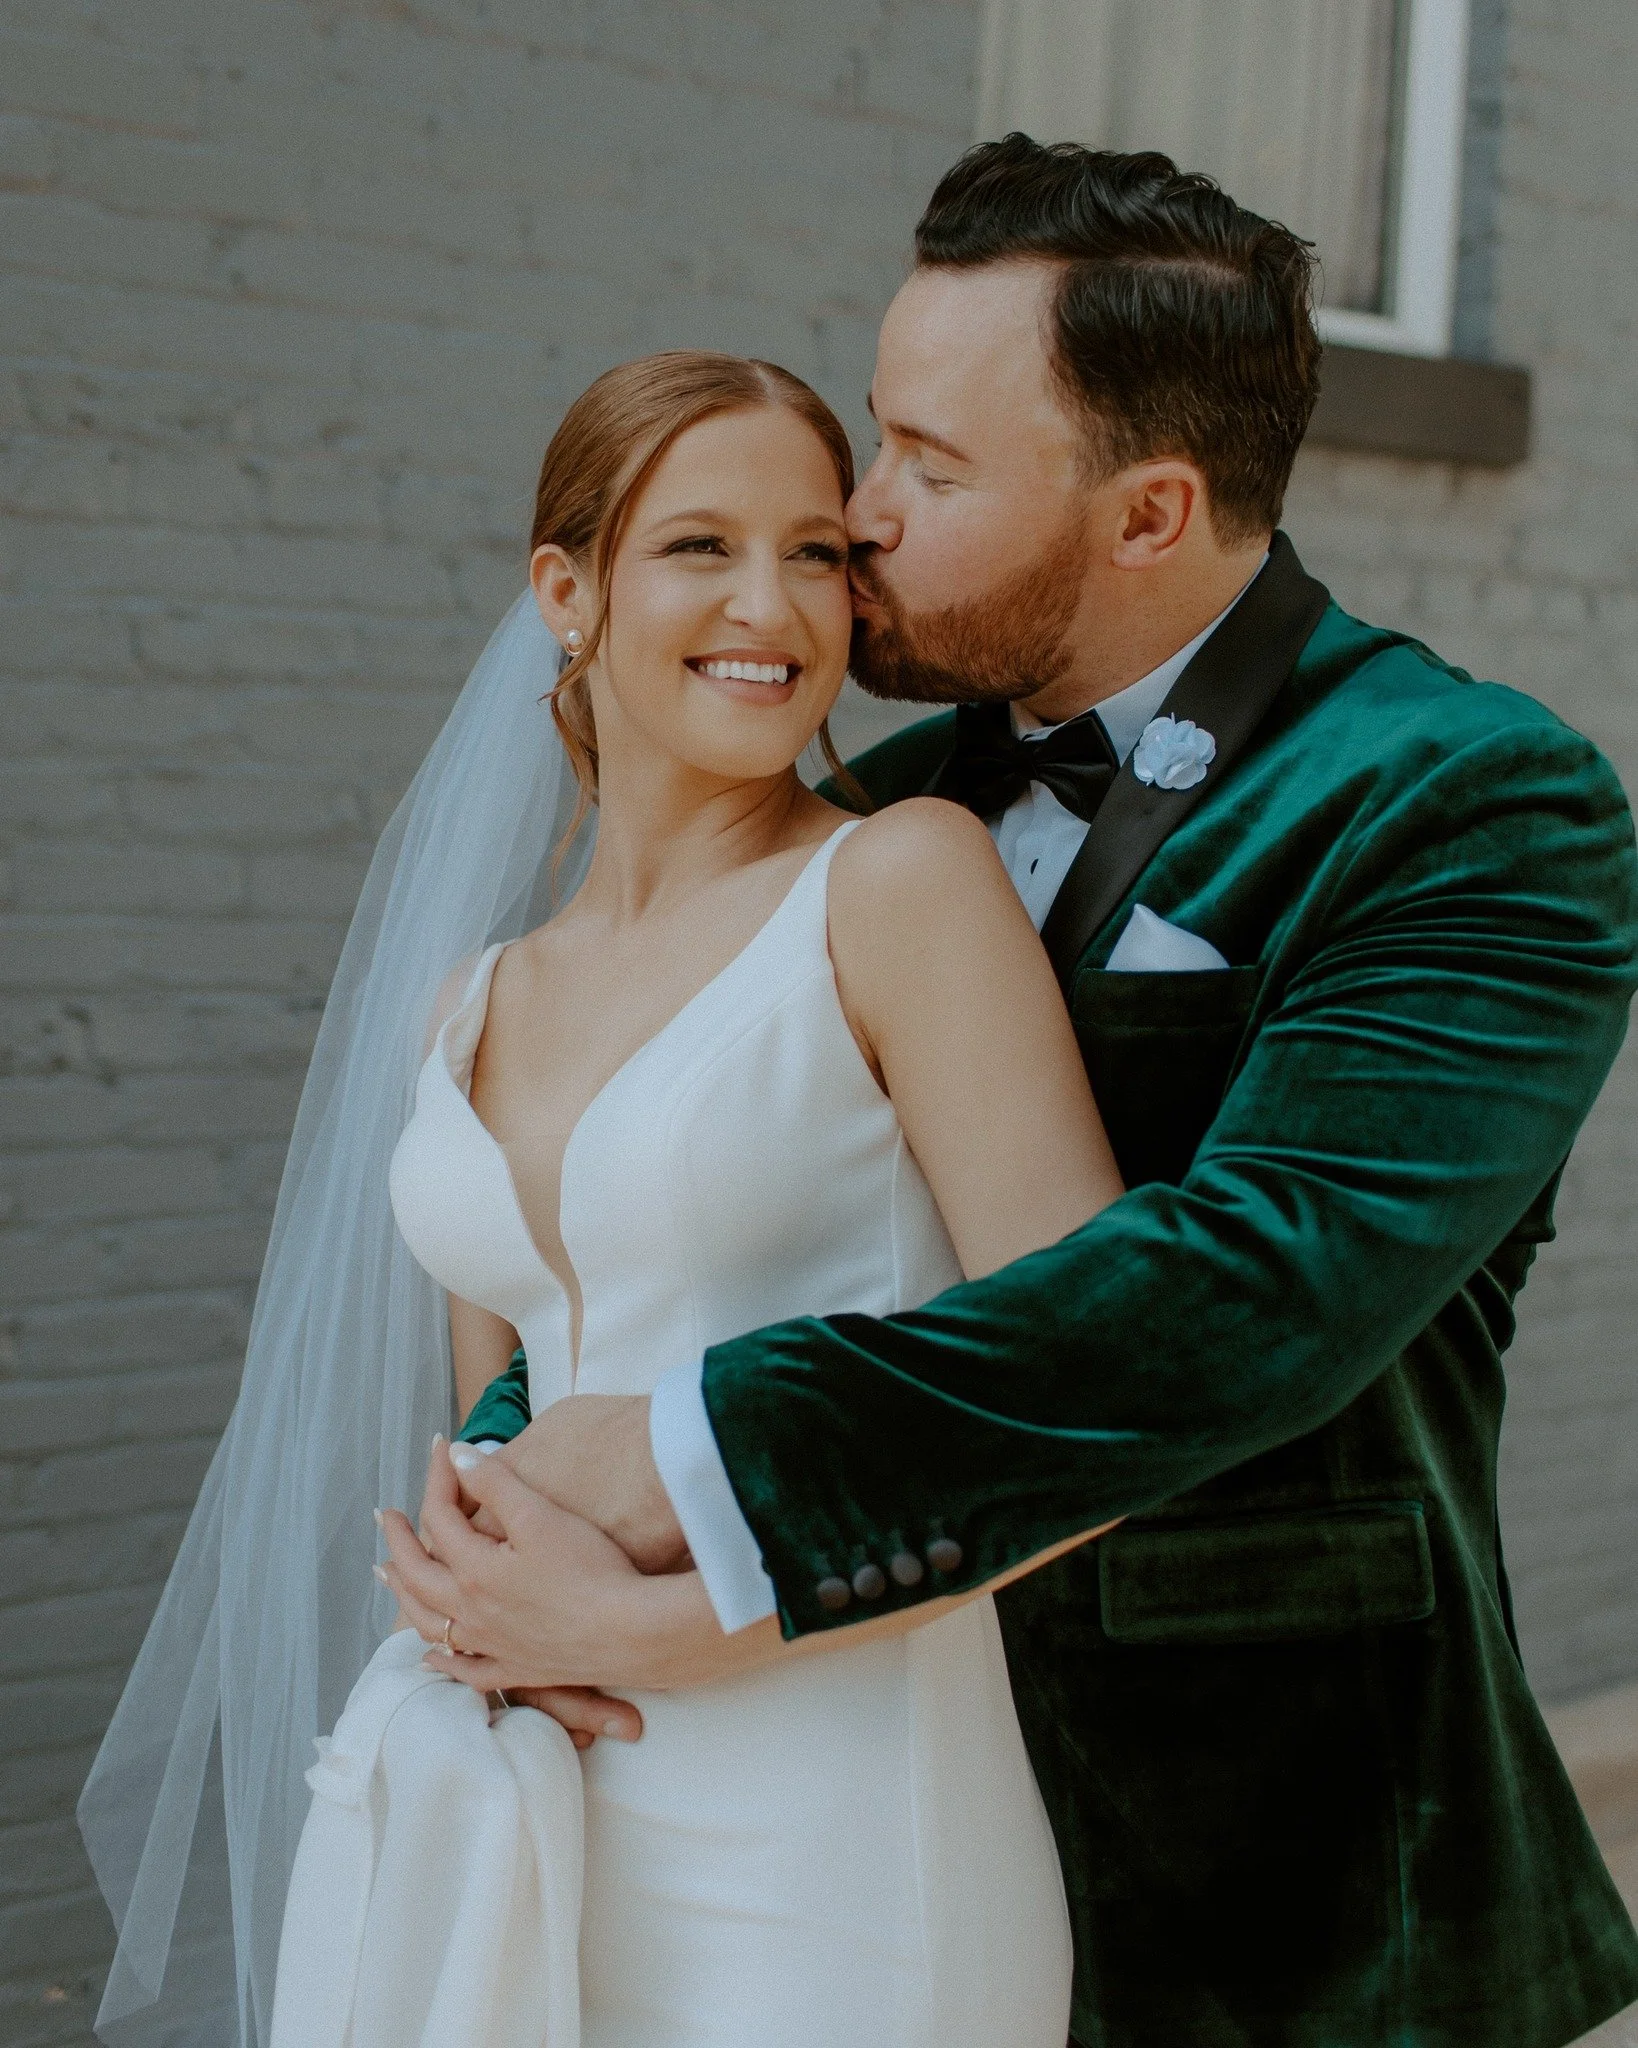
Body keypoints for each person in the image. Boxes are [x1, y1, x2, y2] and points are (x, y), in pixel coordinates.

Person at [383, 139, 1638, 2048]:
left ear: (1147, 516)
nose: (858, 518)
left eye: (928, 469)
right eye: (877, 439)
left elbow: (1252, 1285)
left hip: (1276, 1879)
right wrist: (515, 1509)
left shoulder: (1464, 801)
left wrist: (687, 1467)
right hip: (808, 1798)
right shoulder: (866, 822)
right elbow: (643, 1216)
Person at [83, 346, 1133, 2046]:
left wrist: (702, 1621)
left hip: (836, 1803)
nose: (771, 604)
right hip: (538, 1802)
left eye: (813, 550)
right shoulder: (473, 1000)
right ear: (565, 592)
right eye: (698, 546)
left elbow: (1100, 1396)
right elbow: (499, 1422)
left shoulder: (893, 886)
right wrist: (468, 1592)